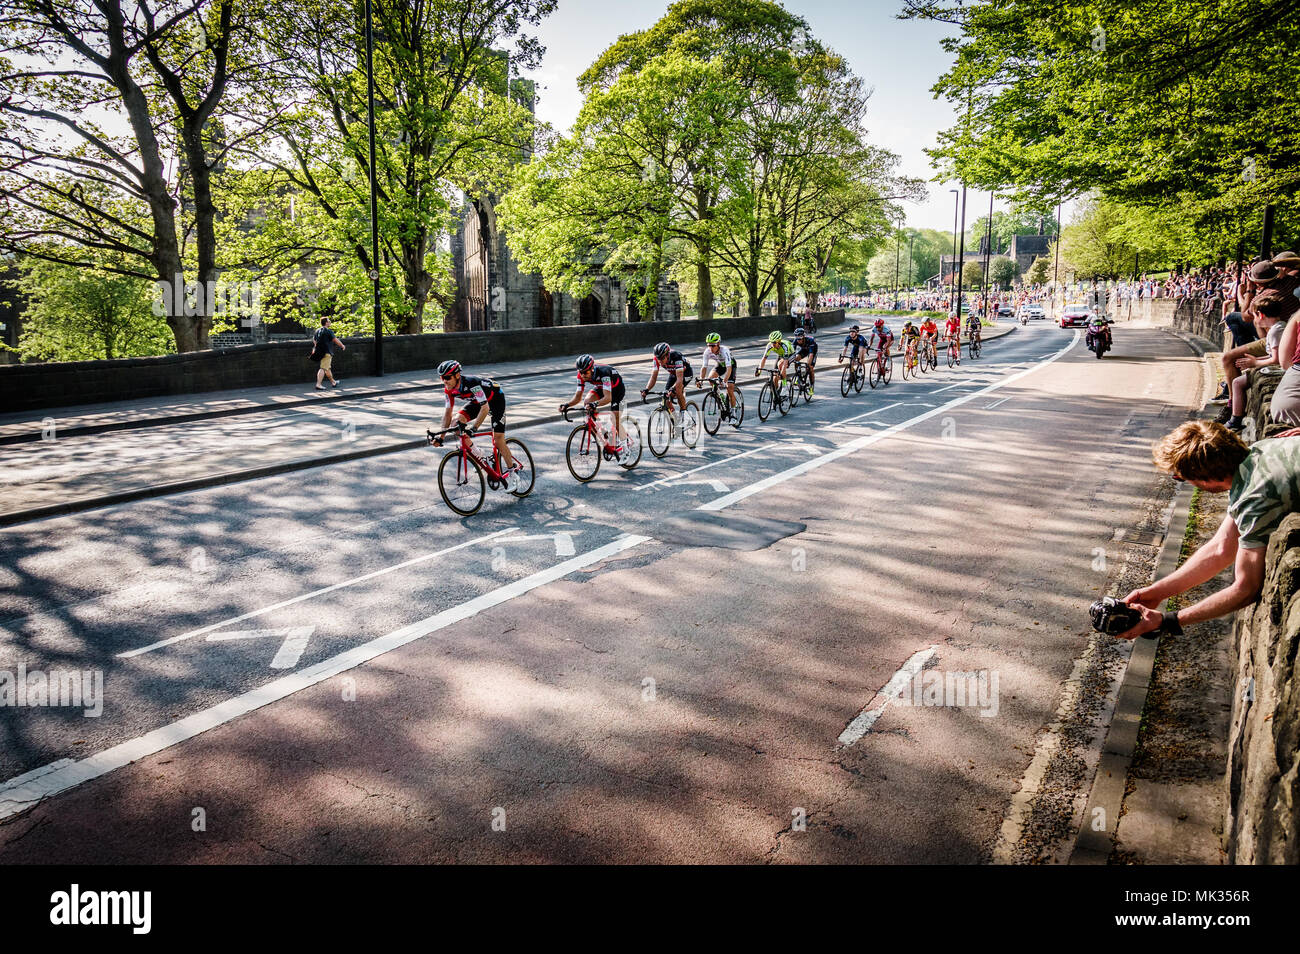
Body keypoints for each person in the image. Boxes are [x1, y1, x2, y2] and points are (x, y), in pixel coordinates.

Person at [1117, 421, 1300, 639]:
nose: (1184, 481)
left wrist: (1168, 621)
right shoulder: (1262, 451)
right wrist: (1156, 592)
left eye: (1180, 477)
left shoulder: (1256, 498)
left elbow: (1246, 589)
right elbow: (1221, 547)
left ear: (1205, 477)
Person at [431, 360, 523, 492]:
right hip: (477, 402)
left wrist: (474, 429)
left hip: (495, 400)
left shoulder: (471, 383)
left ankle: (512, 472)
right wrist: (441, 437)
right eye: (442, 378)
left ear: (457, 375)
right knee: (455, 424)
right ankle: (478, 453)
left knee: (498, 439)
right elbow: (447, 414)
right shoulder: (449, 390)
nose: (444, 381)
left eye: (447, 377)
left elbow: (485, 408)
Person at [1225, 292, 1289, 430]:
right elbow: (1275, 355)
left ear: (1260, 315)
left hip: (1279, 370)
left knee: (1236, 383)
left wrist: (1255, 363)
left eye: (1254, 316)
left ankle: (1236, 419)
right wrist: (1255, 359)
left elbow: (1276, 359)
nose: (1254, 320)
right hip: (1280, 367)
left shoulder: (1274, 332)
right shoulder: (1281, 326)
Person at [561, 354, 633, 460]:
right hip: (601, 387)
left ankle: (626, 449)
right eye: (581, 372)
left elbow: (608, 397)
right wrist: (567, 405)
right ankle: (603, 431)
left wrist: (595, 404)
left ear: (592, 368)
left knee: (615, 419)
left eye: (585, 372)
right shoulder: (580, 375)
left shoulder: (604, 373)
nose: (583, 375)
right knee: (587, 402)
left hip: (616, 390)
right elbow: (577, 397)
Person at [643, 342, 692, 418]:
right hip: (674, 374)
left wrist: (673, 388)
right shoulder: (656, 359)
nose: (660, 361)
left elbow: (679, 378)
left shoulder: (676, 356)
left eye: (662, 358)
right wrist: (646, 389)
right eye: (658, 358)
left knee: (678, 390)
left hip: (685, 373)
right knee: (665, 398)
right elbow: (653, 377)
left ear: (667, 355)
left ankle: (683, 413)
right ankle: (676, 420)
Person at [698, 332, 739, 412]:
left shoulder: (724, 350)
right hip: (720, 365)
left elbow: (729, 368)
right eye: (709, 345)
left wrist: (724, 381)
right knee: (710, 379)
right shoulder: (707, 352)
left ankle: (733, 414)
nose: (711, 348)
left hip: (731, 365)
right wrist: (701, 380)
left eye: (713, 345)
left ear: (718, 344)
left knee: (729, 388)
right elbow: (704, 367)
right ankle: (721, 396)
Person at [310, 316, 345, 391]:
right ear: (326, 323)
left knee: (327, 368)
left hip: (319, 352)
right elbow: (335, 340)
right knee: (323, 368)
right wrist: (342, 346)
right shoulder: (328, 331)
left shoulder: (317, 331)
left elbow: (314, 340)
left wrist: (316, 348)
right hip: (327, 352)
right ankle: (318, 384)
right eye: (329, 321)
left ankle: (333, 382)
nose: (330, 322)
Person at [790, 327, 818, 397]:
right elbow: (792, 353)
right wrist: (789, 361)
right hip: (804, 350)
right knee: (796, 359)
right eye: (797, 338)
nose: (798, 340)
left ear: (803, 337)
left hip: (812, 351)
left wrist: (808, 365)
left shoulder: (810, 341)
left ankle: (811, 386)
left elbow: (811, 355)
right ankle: (798, 376)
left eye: (800, 338)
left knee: (810, 367)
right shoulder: (795, 340)